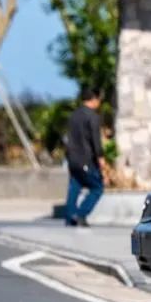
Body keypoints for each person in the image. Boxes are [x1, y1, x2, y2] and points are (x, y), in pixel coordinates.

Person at [64, 87, 105, 227]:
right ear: (94, 99)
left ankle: (70, 217)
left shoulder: (74, 115)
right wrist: (100, 157)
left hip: (72, 159)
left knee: (75, 186)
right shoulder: (92, 116)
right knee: (97, 188)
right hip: (85, 159)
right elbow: (95, 139)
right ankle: (81, 214)